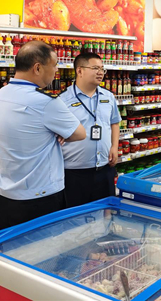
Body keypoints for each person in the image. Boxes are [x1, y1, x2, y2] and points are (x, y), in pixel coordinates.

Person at [0, 41, 86, 230]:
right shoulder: (44, 102)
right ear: (37, 68)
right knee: (43, 247)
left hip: (6, 196)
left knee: (9, 247)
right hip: (40, 198)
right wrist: (59, 133)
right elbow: (79, 133)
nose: (56, 70)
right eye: (54, 65)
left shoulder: (1, 94)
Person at [58, 53, 122, 207]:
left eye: (102, 69)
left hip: (104, 169)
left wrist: (114, 146)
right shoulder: (62, 100)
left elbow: (114, 122)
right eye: (95, 68)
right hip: (74, 172)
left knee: (105, 213)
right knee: (75, 217)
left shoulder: (108, 97)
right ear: (79, 71)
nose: (100, 73)